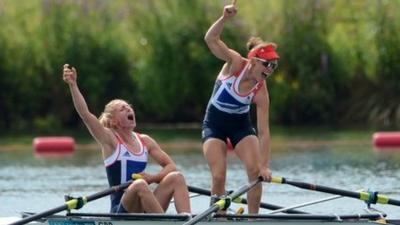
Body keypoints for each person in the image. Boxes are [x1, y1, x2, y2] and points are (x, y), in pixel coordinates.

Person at [62, 64, 191, 214]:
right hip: (121, 210)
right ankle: (164, 222)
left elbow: (171, 166)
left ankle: (186, 220)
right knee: (140, 185)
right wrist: (73, 85)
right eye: (122, 109)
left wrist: (153, 178)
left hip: (145, 207)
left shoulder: (145, 141)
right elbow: (85, 114)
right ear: (114, 121)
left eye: (129, 107)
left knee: (177, 177)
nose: (129, 109)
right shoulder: (110, 140)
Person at [202, 2, 278, 214]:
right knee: (219, 175)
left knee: (254, 172)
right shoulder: (235, 63)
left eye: (274, 65)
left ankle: (254, 219)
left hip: (240, 126)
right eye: (266, 64)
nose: (270, 70)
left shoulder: (261, 91)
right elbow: (210, 39)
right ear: (253, 62)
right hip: (214, 124)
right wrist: (224, 19)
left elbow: (264, 132)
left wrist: (264, 166)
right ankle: (220, 217)